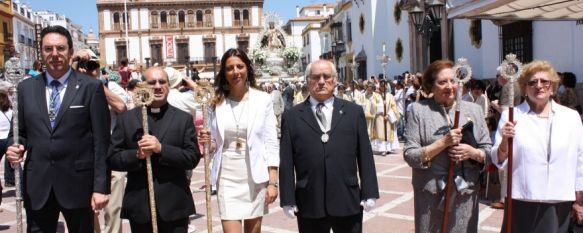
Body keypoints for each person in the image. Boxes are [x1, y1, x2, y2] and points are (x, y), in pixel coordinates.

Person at [5, 25, 111, 233]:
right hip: (38, 185)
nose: (55, 54)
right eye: (48, 49)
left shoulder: (91, 88)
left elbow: (101, 142)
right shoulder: (26, 89)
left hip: (79, 184)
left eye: (60, 48)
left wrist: (101, 187)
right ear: (41, 52)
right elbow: (19, 133)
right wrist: (14, 147)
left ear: (70, 52)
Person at [279, 59, 379, 233]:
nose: (321, 81)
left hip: (347, 197)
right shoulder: (292, 116)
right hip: (310, 199)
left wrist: (369, 191)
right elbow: (286, 161)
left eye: (327, 77)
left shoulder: (353, 112)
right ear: (307, 80)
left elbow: (365, 154)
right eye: (316, 77)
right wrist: (288, 198)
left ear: (335, 79)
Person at [491, 60, 583, 232]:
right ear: (525, 88)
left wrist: (580, 198)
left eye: (544, 81)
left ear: (553, 86)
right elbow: (498, 159)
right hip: (522, 198)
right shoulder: (511, 116)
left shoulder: (570, 117)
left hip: (560, 197)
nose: (538, 86)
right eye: (532, 82)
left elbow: (580, 157)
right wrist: (504, 140)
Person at [107, 67, 201, 233]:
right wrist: (136, 155)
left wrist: (162, 149)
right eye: (152, 82)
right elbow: (112, 157)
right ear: (143, 86)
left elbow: (192, 158)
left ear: (168, 85)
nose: (158, 86)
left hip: (174, 206)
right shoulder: (127, 120)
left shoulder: (183, 119)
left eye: (162, 82)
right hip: (140, 206)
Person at [403, 60, 491, 233]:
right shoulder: (419, 111)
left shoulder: (474, 110)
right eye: (442, 82)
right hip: (430, 193)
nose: (449, 86)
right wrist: (442, 143)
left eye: (453, 81)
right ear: (430, 86)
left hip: (464, 193)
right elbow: (410, 155)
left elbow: (488, 152)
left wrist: (472, 152)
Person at [197, 48, 279, 233]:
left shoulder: (262, 100)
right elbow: (213, 145)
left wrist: (273, 182)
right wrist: (207, 141)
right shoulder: (215, 101)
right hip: (227, 174)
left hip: (255, 176)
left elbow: (271, 142)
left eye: (240, 66)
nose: (236, 72)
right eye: (230, 68)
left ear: (247, 69)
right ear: (224, 73)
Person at [74, 49, 130, 233]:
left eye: (94, 65)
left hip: (111, 153)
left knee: (114, 208)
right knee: (85, 209)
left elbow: (121, 107)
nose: (91, 69)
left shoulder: (110, 86)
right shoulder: (74, 87)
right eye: (87, 65)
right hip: (84, 155)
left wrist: (96, 85)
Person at [0, 84, 12, 206]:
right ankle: (11, 181)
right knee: (13, 164)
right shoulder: (10, 111)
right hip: (8, 139)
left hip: (0, 139)